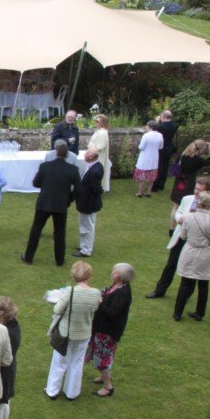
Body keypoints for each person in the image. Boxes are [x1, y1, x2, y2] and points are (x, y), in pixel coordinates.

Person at [45, 262, 102, 400]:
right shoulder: (96, 293)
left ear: (74, 276)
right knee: (77, 362)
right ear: (89, 276)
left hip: (65, 333)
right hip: (84, 333)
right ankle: (72, 393)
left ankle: (52, 391)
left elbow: (57, 309)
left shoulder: (70, 291)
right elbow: (95, 309)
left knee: (59, 361)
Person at [173, 191, 210, 322]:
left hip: (189, 252)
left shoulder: (188, 217)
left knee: (184, 283)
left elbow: (183, 236)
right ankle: (199, 313)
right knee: (203, 284)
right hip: (206, 255)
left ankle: (177, 313)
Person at [22, 141, 80, 266]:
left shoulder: (45, 166)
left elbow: (36, 183)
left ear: (56, 153)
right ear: (67, 155)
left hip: (44, 202)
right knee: (60, 232)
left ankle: (28, 257)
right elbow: (78, 189)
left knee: (36, 230)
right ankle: (59, 260)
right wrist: (68, 199)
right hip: (61, 204)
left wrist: (47, 186)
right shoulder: (72, 170)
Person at [89, 263, 134, 398]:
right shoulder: (117, 286)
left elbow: (112, 313)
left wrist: (100, 302)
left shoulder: (122, 293)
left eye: (115, 271)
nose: (112, 272)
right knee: (103, 355)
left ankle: (108, 387)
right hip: (102, 328)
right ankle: (103, 377)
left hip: (108, 331)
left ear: (120, 276)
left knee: (102, 358)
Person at [74, 150, 104, 258]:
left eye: (87, 154)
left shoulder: (94, 171)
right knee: (84, 225)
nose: (85, 155)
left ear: (91, 157)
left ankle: (86, 250)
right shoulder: (94, 166)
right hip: (86, 202)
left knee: (87, 227)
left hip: (88, 204)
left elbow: (97, 189)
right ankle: (84, 246)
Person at [169, 139, 210, 205]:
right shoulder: (197, 160)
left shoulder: (183, 155)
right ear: (201, 149)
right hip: (188, 183)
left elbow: (176, 163)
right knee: (187, 203)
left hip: (179, 181)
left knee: (176, 204)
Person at [152, 110, 177, 192]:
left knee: (159, 167)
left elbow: (154, 132)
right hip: (169, 148)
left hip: (161, 148)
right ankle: (161, 185)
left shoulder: (160, 127)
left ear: (163, 117)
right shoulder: (174, 126)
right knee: (165, 167)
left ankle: (155, 186)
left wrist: (156, 122)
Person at [87, 114, 112, 192]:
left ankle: (97, 188)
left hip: (98, 156)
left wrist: (91, 149)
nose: (95, 122)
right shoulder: (99, 131)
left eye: (97, 121)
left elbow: (100, 147)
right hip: (95, 154)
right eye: (95, 121)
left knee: (97, 171)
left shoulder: (102, 133)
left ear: (102, 123)